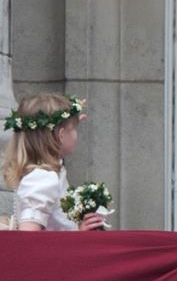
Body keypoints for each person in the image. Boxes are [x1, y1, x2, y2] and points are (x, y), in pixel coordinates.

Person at [2, 93, 104, 231]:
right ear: (61, 135)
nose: (75, 134)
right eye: (74, 129)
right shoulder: (43, 178)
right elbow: (28, 236)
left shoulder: (47, 173)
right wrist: (78, 233)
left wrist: (70, 121)